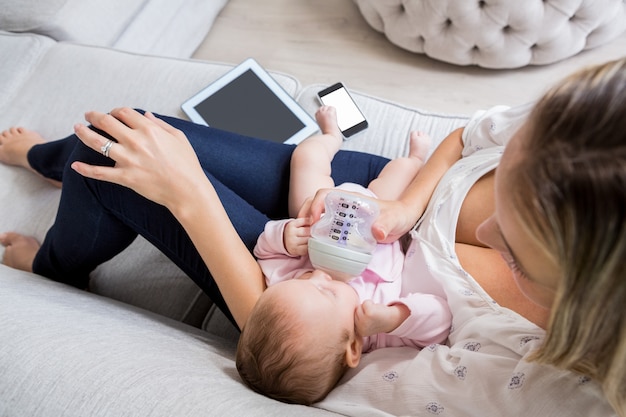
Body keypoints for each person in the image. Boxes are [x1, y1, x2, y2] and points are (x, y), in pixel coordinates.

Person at [0, 59, 623, 416]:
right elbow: (467, 137)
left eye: (513, 251)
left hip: (300, 293)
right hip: (370, 203)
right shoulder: (595, 131)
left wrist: (191, 196)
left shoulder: (538, 387)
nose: (485, 230)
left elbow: (313, 359)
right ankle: (52, 164)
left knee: (117, 163)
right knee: (119, 136)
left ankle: (57, 267)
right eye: (502, 189)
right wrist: (404, 203)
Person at [236, 106, 452, 405]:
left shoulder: (287, 287)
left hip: (318, 214)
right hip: (378, 220)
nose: (319, 275)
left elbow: (265, 254)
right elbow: (442, 319)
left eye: (305, 279)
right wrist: (394, 317)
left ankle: (331, 135)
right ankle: (416, 158)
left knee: (305, 157)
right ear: (352, 347)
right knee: (401, 171)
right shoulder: (375, 328)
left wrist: (285, 237)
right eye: (328, 293)